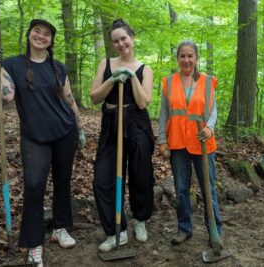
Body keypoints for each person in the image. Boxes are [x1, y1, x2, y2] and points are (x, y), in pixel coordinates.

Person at [0, 19, 85, 266]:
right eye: (36, 32)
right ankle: (34, 243)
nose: (41, 36)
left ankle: (60, 228)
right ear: (29, 35)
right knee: (33, 186)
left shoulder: (59, 67)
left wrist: (80, 127)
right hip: (34, 136)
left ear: (51, 41)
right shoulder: (12, 64)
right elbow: (6, 97)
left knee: (63, 181)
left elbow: (70, 99)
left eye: (46, 34)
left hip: (65, 132)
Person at [90, 18, 154, 252]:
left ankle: (140, 219)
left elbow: (143, 102)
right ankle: (116, 230)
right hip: (110, 124)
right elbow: (95, 97)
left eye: (124, 38)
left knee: (140, 175)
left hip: (137, 124)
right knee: (102, 180)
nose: (120, 44)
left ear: (132, 38)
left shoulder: (146, 69)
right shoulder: (104, 63)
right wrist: (112, 79)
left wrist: (133, 76)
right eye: (116, 41)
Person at [158, 40, 222, 245]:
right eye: (182, 56)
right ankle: (184, 228)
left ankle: (215, 231)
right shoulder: (168, 82)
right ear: (177, 58)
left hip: (202, 142)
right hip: (177, 143)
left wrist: (210, 128)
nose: (186, 60)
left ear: (196, 58)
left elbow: (213, 111)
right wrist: (162, 140)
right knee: (181, 188)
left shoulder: (207, 81)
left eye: (190, 56)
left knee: (207, 188)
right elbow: (163, 114)